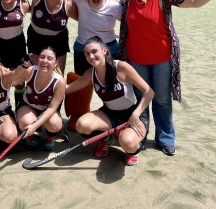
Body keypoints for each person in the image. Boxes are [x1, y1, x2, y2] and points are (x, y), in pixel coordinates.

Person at [118, 0, 216, 156]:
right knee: (140, 100)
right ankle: (141, 134)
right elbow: (112, 13)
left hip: (162, 58)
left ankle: (165, 138)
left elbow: (194, 2)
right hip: (135, 59)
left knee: (162, 100)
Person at [66, 36, 154, 166]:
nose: (91, 56)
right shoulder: (90, 73)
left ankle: (132, 151)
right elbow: (67, 89)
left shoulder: (122, 67)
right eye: (87, 54)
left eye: (94, 51)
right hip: (110, 114)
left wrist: (135, 115)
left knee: (128, 143)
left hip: (134, 114)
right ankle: (107, 139)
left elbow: (149, 92)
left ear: (105, 51)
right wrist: (48, 78)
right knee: (82, 125)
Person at [14, 48, 66, 151]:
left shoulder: (60, 81)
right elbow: (13, 81)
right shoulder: (30, 70)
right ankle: (31, 137)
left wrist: (34, 126)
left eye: (49, 58)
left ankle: (49, 138)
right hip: (28, 105)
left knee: (54, 124)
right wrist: (22, 67)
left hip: (47, 109)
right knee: (25, 122)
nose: (45, 61)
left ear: (55, 63)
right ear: (38, 59)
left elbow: (52, 108)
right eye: (42, 57)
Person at [71, 0, 122, 76]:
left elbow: (128, 23)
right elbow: (62, 3)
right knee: (82, 84)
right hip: (82, 48)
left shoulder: (115, 7)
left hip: (109, 48)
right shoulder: (80, 0)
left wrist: (122, 35)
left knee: (111, 83)